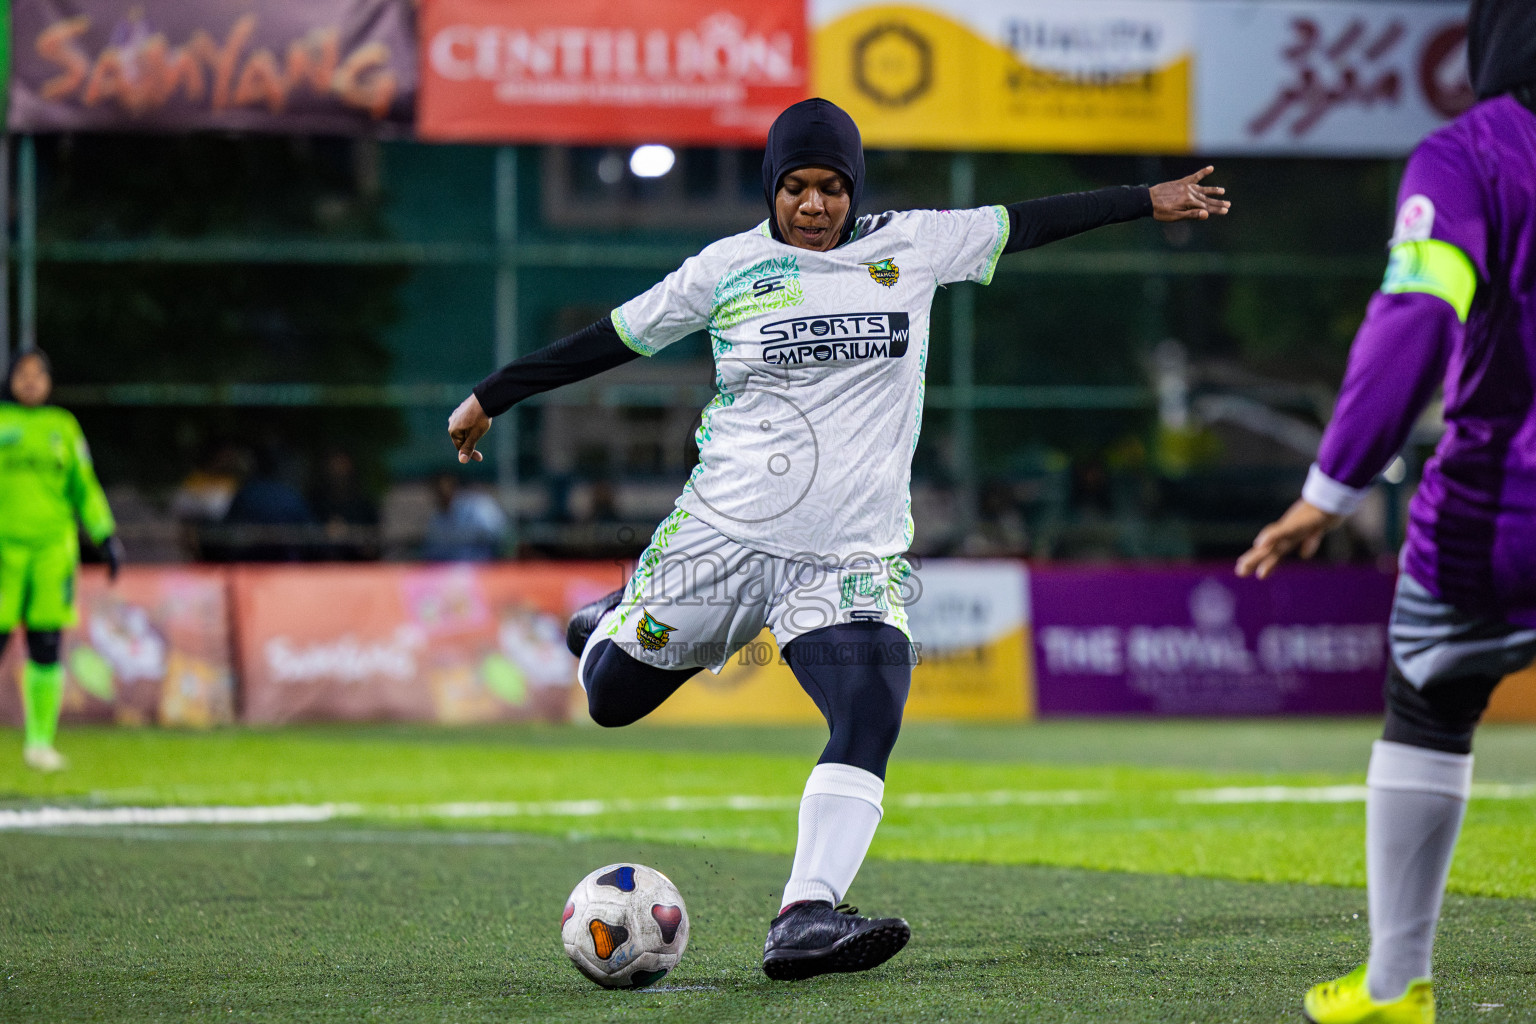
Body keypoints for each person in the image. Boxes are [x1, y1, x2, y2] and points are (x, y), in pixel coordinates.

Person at [449, 97, 1228, 979]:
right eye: (795, 188)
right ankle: (611, 624)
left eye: (829, 188)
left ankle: (805, 914)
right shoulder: (727, 269)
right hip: (722, 542)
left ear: (853, 188)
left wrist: (1144, 199)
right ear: (771, 189)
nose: (813, 206)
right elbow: (611, 340)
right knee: (613, 700)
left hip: (847, 555)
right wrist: (493, 394)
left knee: (871, 705)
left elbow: (1033, 219)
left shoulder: (917, 244)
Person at [1236, 4, 1536, 1021]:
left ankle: (1397, 985)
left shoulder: (1470, 155)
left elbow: (1416, 314)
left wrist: (1328, 488)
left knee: (1428, 704)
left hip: (1506, 509)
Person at [0, 350, 121, 772]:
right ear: (10, 379)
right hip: (2, 552)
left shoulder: (63, 428)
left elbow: (84, 487)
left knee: (46, 643)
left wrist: (105, 534)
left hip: (52, 551)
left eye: (38, 375)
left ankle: (39, 743)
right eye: (22, 374)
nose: (30, 382)